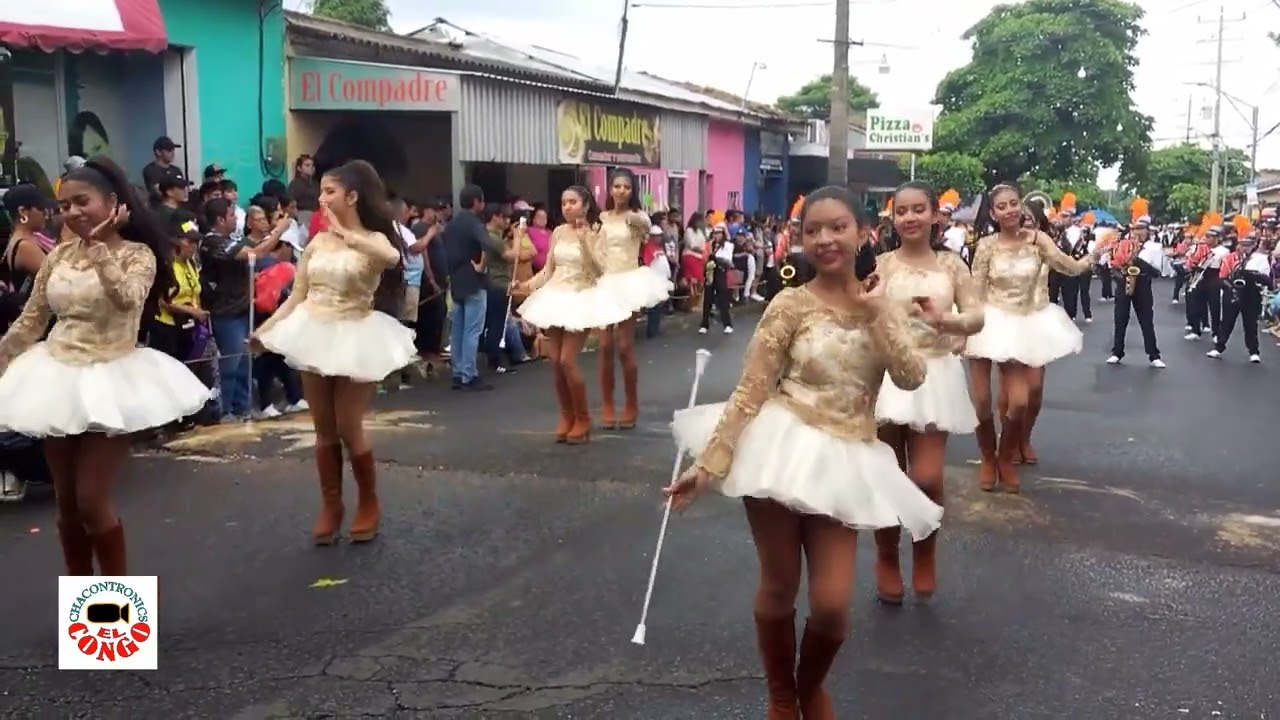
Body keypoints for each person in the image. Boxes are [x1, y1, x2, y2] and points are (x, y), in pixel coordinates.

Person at [664, 185, 942, 719]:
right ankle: (783, 696)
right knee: (779, 584)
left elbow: (911, 377)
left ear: (864, 232)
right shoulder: (789, 304)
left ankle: (809, 683)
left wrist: (878, 312)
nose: (824, 238)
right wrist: (709, 465)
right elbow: (752, 389)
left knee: (834, 609)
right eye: (812, 230)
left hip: (848, 458)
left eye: (837, 226)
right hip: (780, 450)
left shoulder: (882, 304)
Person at [0, 156, 210, 575]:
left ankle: (116, 615)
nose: (73, 212)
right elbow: (32, 319)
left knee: (92, 500)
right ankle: (82, 607)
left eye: (82, 201)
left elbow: (128, 299)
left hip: (113, 375)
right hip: (56, 374)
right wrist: (3, 356)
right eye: (64, 206)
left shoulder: (139, 255)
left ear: (113, 202)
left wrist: (98, 248)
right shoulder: (57, 257)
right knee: (66, 503)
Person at [251, 160, 413, 545]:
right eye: (321, 191)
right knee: (323, 429)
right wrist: (266, 331)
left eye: (329, 192)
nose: (321, 199)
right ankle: (332, 505)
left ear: (352, 196)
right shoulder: (318, 242)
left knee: (348, 425)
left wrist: (346, 233)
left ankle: (368, 502)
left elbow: (390, 258)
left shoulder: (375, 239)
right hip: (312, 330)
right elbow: (298, 296)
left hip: (357, 333)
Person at [872, 181, 984, 605]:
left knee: (927, 477)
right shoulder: (881, 264)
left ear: (936, 215)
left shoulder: (952, 265)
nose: (910, 217)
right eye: (902, 211)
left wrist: (946, 320)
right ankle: (886, 557)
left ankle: (924, 551)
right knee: (887, 475)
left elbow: (976, 318)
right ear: (893, 217)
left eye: (919, 209)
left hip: (935, 374)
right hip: (884, 376)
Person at [965, 184, 1110, 494]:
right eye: (1001, 206)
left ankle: (1006, 458)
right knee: (981, 403)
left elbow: (1068, 267)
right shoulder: (987, 245)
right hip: (988, 320)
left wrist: (1094, 256)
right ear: (993, 213)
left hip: (1024, 322)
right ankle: (988, 457)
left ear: (1021, 206)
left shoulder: (1039, 240)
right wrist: (965, 325)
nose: (1009, 210)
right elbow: (975, 288)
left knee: (1018, 401)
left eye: (1013, 203)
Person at [512, 187, 629, 444]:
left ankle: (584, 418)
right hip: (554, 297)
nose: (567, 207)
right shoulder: (557, 232)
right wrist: (525, 287)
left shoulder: (597, 232)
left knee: (567, 360)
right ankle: (567, 415)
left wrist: (585, 240)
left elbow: (600, 269)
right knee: (554, 362)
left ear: (586, 205)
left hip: (580, 297)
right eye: (564, 202)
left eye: (573, 202)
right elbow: (548, 270)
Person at [596, 169, 669, 429]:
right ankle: (606, 404)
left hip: (629, 282)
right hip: (604, 283)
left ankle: (631, 402)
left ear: (632, 190)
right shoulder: (601, 218)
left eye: (626, 187)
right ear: (610, 188)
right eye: (616, 186)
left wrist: (639, 220)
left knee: (624, 346)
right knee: (604, 347)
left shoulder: (637, 218)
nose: (621, 191)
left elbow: (648, 229)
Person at [442, 185, 492, 391]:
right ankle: (469, 375)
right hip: (474, 281)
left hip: (456, 281)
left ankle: (458, 372)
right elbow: (487, 244)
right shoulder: (475, 223)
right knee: (472, 330)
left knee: (458, 330)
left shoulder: (451, 225)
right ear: (477, 202)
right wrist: (482, 265)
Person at [1105, 208, 1165, 368]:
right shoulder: (1124, 245)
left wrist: (1139, 261)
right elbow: (1114, 265)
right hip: (1124, 283)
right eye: (1134, 229)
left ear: (1147, 230)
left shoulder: (1154, 248)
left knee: (1146, 320)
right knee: (1120, 319)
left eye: (1140, 229)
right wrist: (1118, 275)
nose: (1137, 232)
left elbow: (1157, 272)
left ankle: (1154, 355)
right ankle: (1117, 352)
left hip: (1143, 284)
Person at [1209, 226, 1269, 363]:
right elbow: (1222, 277)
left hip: (1251, 293)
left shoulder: (1260, 259)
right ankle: (1218, 347)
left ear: (1254, 245)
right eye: (1242, 245)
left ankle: (1254, 352)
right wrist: (1230, 287)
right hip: (1234, 292)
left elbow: (1266, 279)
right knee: (1226, 322)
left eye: (1248, 245)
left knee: (1250, 325)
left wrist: (1253, 274)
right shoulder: (1231, 258)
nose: (1244, 248)